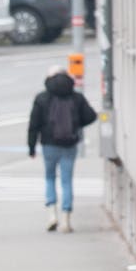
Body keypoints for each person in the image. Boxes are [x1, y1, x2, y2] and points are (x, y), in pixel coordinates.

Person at [27, 66, 97, 233]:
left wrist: (31, 147)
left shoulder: (42, 97)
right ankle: (66, 218)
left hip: (49, 144)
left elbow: (33, 124)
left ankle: (52, 214)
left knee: (50, 177)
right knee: (67, 180)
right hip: (69, 144)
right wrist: (76, 124)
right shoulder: (76, 97)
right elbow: (91, 116)